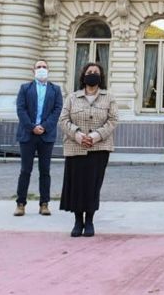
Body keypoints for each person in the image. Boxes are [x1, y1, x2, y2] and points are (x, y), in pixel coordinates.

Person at [58, 62, 118, 238]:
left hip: (99, 148)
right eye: (89, 72)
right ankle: (78, 221)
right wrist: (78, 135)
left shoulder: (109, 97)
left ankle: (90, 220)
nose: (92, 74)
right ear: (83, 75)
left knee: (92, 185)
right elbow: (63, 120)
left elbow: (113, 120)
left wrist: (94, 136)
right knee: (76, 185)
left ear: (101, 77)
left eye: (96, 72)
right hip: (75, 146)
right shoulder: (72, 97)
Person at [14, 59, 63, 217]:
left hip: (46, 135)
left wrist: (45, 127)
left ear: (48, 70)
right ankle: (20, 204)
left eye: (44, 67)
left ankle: (44, 204)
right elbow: (21, 109)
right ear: (33, 70)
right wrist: (32, 127)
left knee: (45, 171)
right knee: (25, 170)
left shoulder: (55, 90)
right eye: (39, 67)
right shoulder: (25, 88)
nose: (41, 69)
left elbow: (57, 110)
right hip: (27, 135)